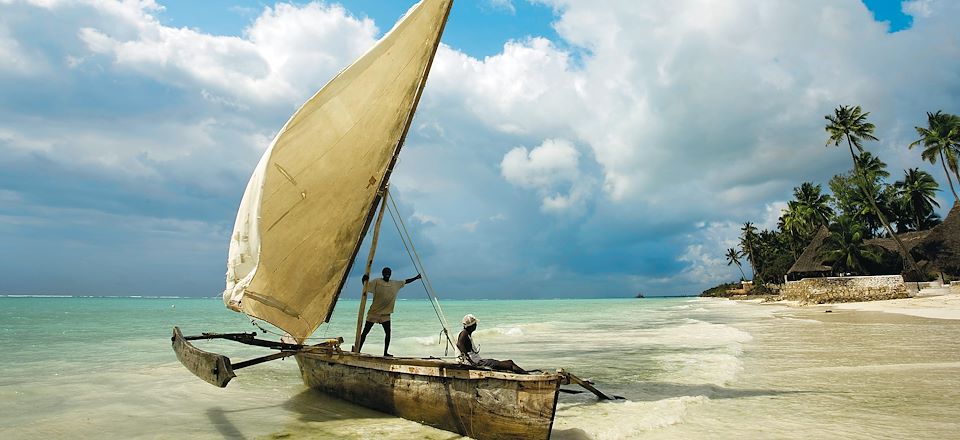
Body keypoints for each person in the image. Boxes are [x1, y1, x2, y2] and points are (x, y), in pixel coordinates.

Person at [356, 267, 421, 356]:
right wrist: (363, 280)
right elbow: (366, 287)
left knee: (388, 333)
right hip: (374, 313)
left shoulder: (395, 284)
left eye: (389, 272)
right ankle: (358, 350)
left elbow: (406, 281)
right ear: (382, 273)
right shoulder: (377, 281)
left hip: (385, 315)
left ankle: (385, 353)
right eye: (386, 272)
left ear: (390, 274)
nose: (387, 273)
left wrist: (416, 278)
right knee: (365, 333)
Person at [456, 314, 527, 374]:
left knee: (507, 363)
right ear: (472, 326)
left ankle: (525, 373)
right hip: (477, 363)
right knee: (510, 363)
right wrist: (470, 361)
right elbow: (459, 344)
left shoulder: (466, 333)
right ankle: (527, 375)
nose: (476, 325)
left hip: (477, 361)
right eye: (475, 324)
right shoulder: (464, 333)